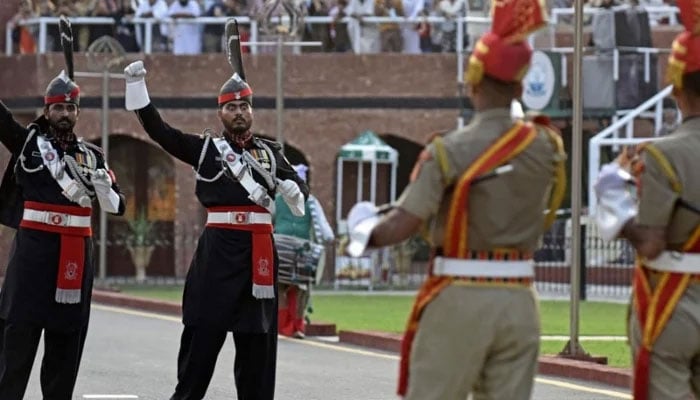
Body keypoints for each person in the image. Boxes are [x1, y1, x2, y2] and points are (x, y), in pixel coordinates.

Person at [344, 0, 566, 398]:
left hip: (462, 292)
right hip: (520, 297)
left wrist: (363, 233)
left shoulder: (449, 150)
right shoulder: (546, 146)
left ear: (473, 81)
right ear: (520, 86)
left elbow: (401, 225)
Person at [123, 18, 308, 400]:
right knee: (202, 342)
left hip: (259, 252)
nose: (239, 112)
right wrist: (138, 90)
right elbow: (162, 132)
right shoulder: (206, 150)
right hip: (219, 252)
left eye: (244, 105)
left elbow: (297, 189)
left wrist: (293, 188)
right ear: (219, 113)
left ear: (252, 110)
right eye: (231, 107)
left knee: (258, 348)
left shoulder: (272, 153)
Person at [0, 17, 126, 398]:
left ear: (78, 112)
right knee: (18, 340)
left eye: (71, 108)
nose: (65, 114)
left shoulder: (93, 155)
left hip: (74, 256)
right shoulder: (28, 144)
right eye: (58, 108)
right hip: (34, 253)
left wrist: (105, 189)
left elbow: (118, 206)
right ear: (47, 109)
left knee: (65, 344)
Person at [594, 0, 700, 398]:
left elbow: (652, 241)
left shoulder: (663, 155)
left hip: (678, 299)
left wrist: (615, 196)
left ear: (675, 87)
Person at [274, 164, 335, 338]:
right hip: (294, 250)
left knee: (288, 289)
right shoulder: (306, 201)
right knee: (298, 290)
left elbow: (321, 225)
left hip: (294, 250)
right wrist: (329, 238)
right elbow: (323, 228)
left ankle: (290, 327)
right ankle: (293, 327)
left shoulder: (281, 199)